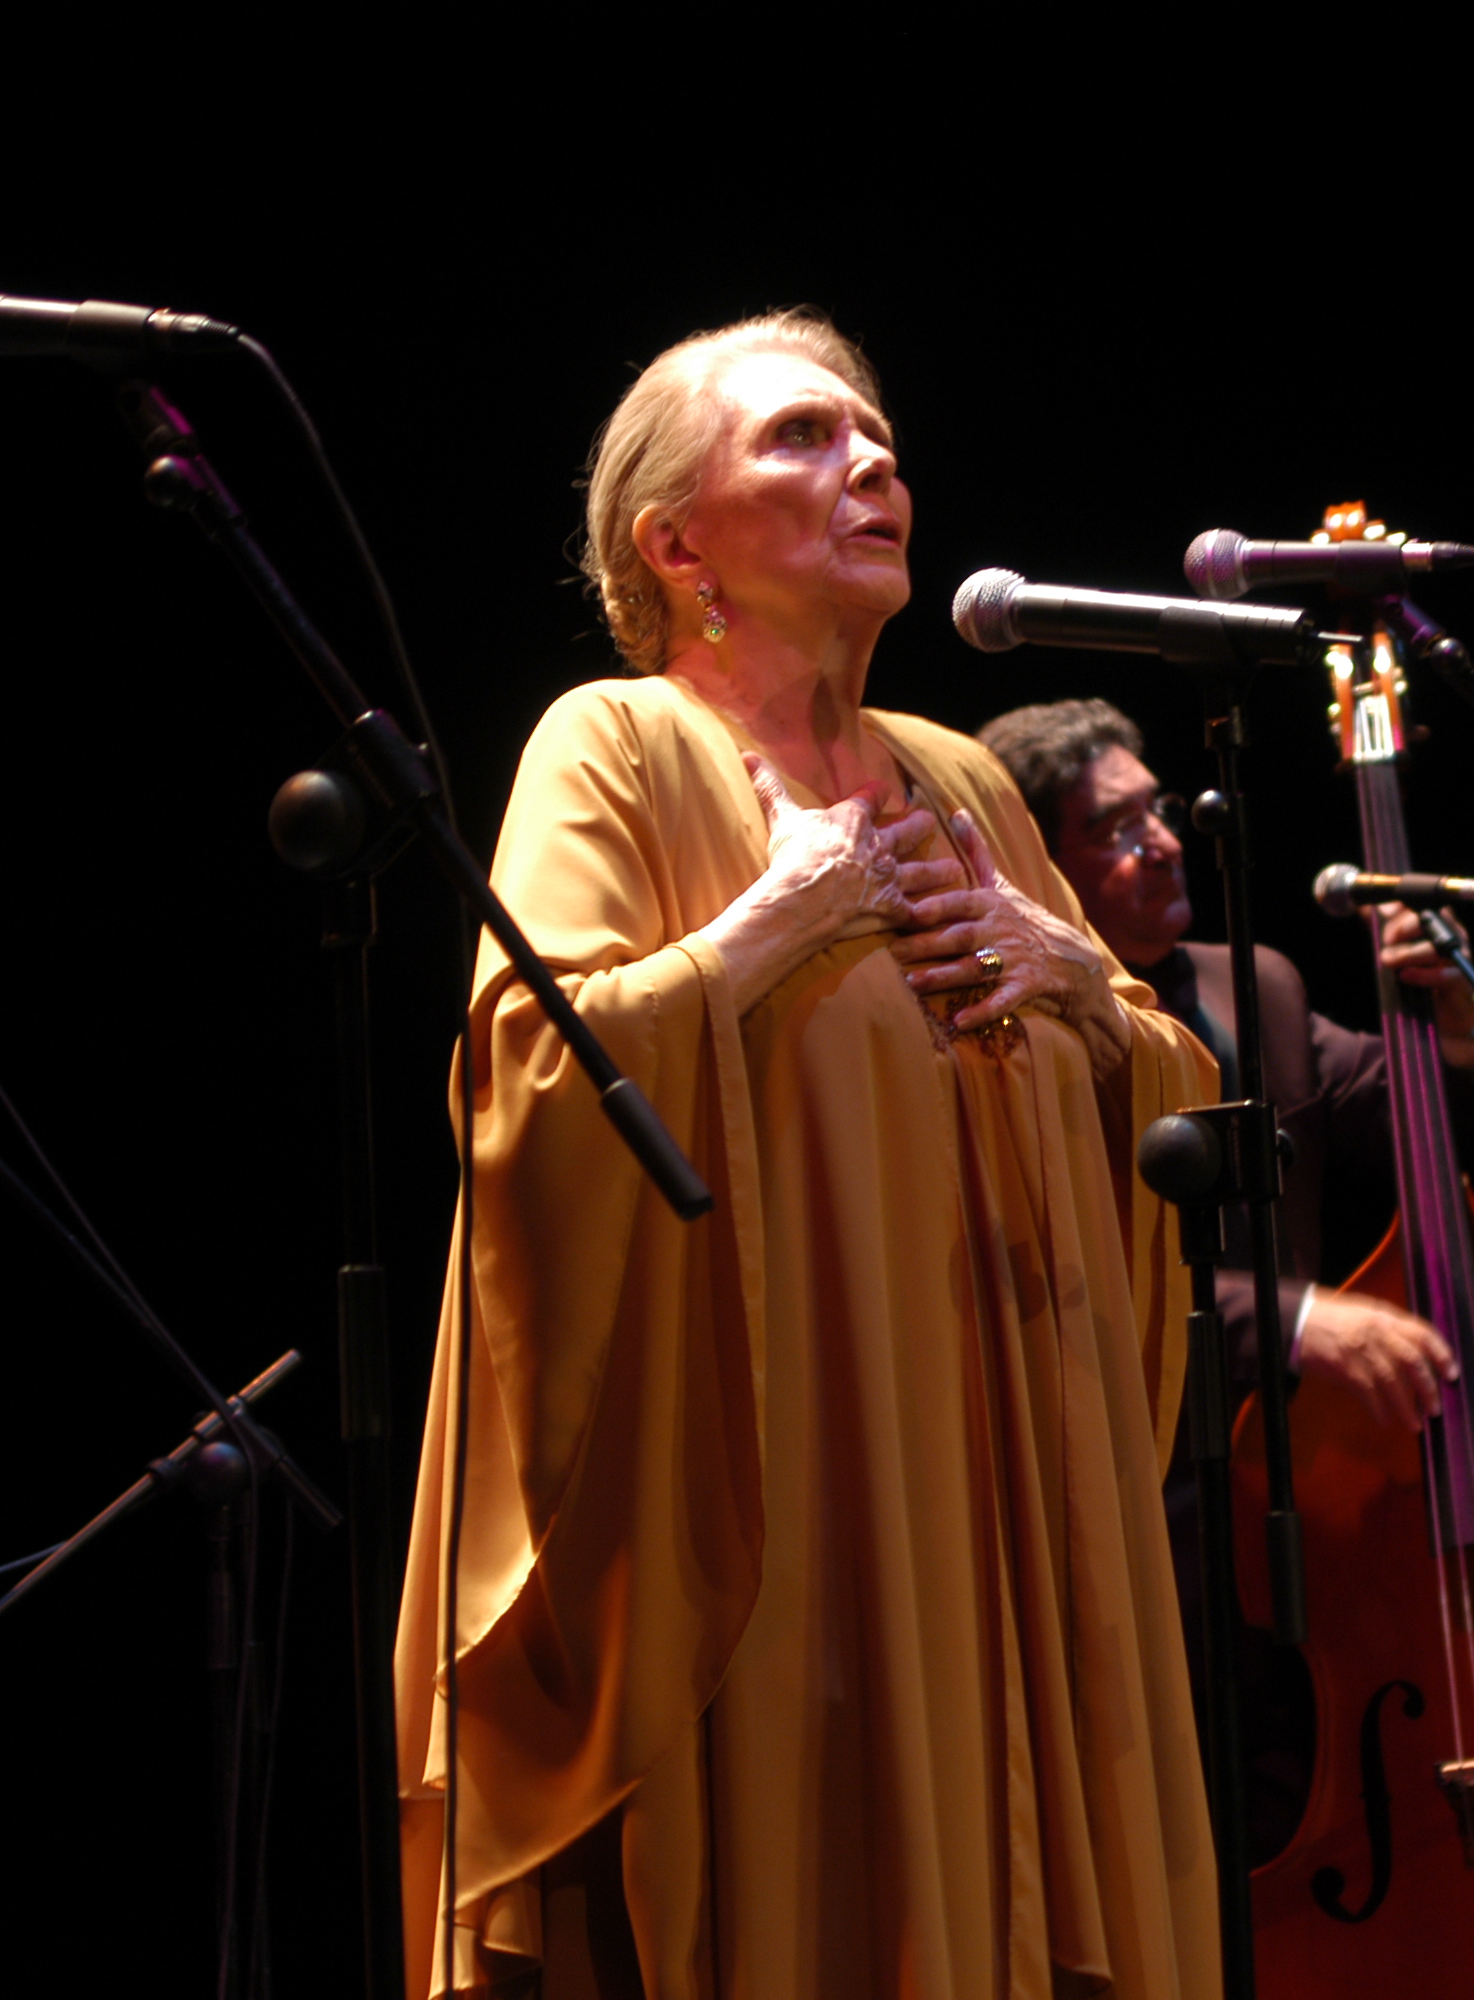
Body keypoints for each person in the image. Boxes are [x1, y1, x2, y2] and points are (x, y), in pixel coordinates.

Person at [393, 315, 1220, 1999]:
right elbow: (528, 1082)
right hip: (766, 1508)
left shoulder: (967, 782)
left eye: (881, 438)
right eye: (800, 436)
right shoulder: (612, 744)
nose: (871, 463)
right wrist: (763, 934)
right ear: (675, 544)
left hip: (991, 1495)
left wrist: (1082, 994)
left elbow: (1164, 1095)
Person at [976, 699, 1474, 1437]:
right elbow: (1077, 1275)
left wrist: (1459, 1019)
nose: (1162, 845)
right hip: (1130, 1455)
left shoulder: (1256, 985)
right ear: (1038, 867)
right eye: (1114, 829)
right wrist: (1296, 1320)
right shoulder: (1020, 1035)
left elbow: (1411, 1125)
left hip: (1293, 1444)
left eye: (1157, 811)